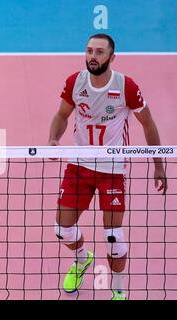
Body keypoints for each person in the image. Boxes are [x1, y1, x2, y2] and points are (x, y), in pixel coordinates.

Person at [47, 33, 167, 300]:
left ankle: (118, 290)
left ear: (112, 57)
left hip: (112, 169)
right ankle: (82, 260)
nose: (92, 56)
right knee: (62, 229)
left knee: (113, 237)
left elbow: (147, 123)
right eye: (89, 50)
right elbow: (62, 115)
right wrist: (53, 139)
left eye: (99, 52)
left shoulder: (125, 86)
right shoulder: (75, 82)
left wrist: (158, 164)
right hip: (79, 166)